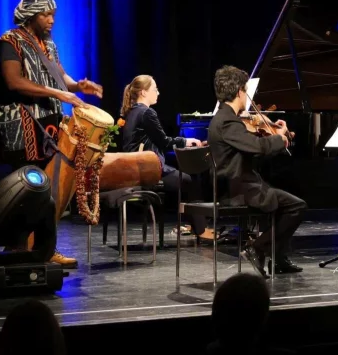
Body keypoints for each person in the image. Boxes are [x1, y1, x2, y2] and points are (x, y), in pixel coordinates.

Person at [0, 0, 103, 267]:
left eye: (53, 15)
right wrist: (58, 94)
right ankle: (18, 247)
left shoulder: (48, 45)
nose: (51, 20)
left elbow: (61, 77)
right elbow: (14, 81)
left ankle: (44, 248)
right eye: (45, 15)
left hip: (48, 126)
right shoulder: (10, 41)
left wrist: (78, 86)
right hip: (21, 125)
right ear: (31, 15)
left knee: (48, 192)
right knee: (26, 189)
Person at [208, 65, 306, 277]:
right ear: (240, 92)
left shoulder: (225, 118)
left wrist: (275, 135)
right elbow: (258, 146)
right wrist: (279, 138)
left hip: (237, 184)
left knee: (284, 202)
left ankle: (278, 258)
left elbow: (252, 152)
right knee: (296, 206)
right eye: (246, 92)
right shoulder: (227, 122)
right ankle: (257, 248)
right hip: (238, 190)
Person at [120, 75, 217, 240]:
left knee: (186, 178)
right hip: (147, 171)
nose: (158, 92)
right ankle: (201, 230)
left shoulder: (132, 112)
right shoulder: (147, 113)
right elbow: (164, 142)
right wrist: (186, 141)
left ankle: (194, 225)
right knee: (189, 181)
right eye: (155, 89)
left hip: (136, 168)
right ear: (143, 92)